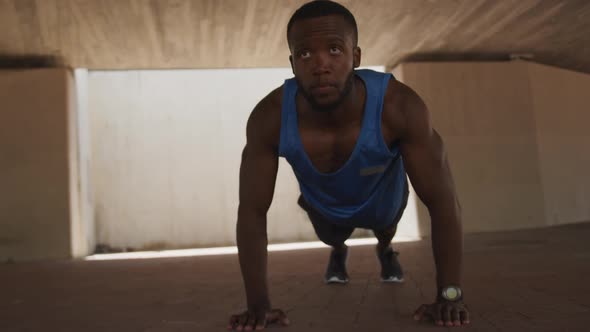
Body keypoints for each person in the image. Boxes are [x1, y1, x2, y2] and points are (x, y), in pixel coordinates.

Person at [228, 1, 470, 330]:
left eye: (333, 49)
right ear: (292, 64)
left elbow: (444, 204)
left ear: (355, 57)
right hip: (326, 209)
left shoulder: (399, 107)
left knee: (385, 229)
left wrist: (451, 296)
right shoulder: (268, 118)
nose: (320, 65)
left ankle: (386, 249)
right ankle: (339, 249)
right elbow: (252, 212)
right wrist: (258, 305)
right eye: (304, 54)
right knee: (332, 236)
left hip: (383, 203)